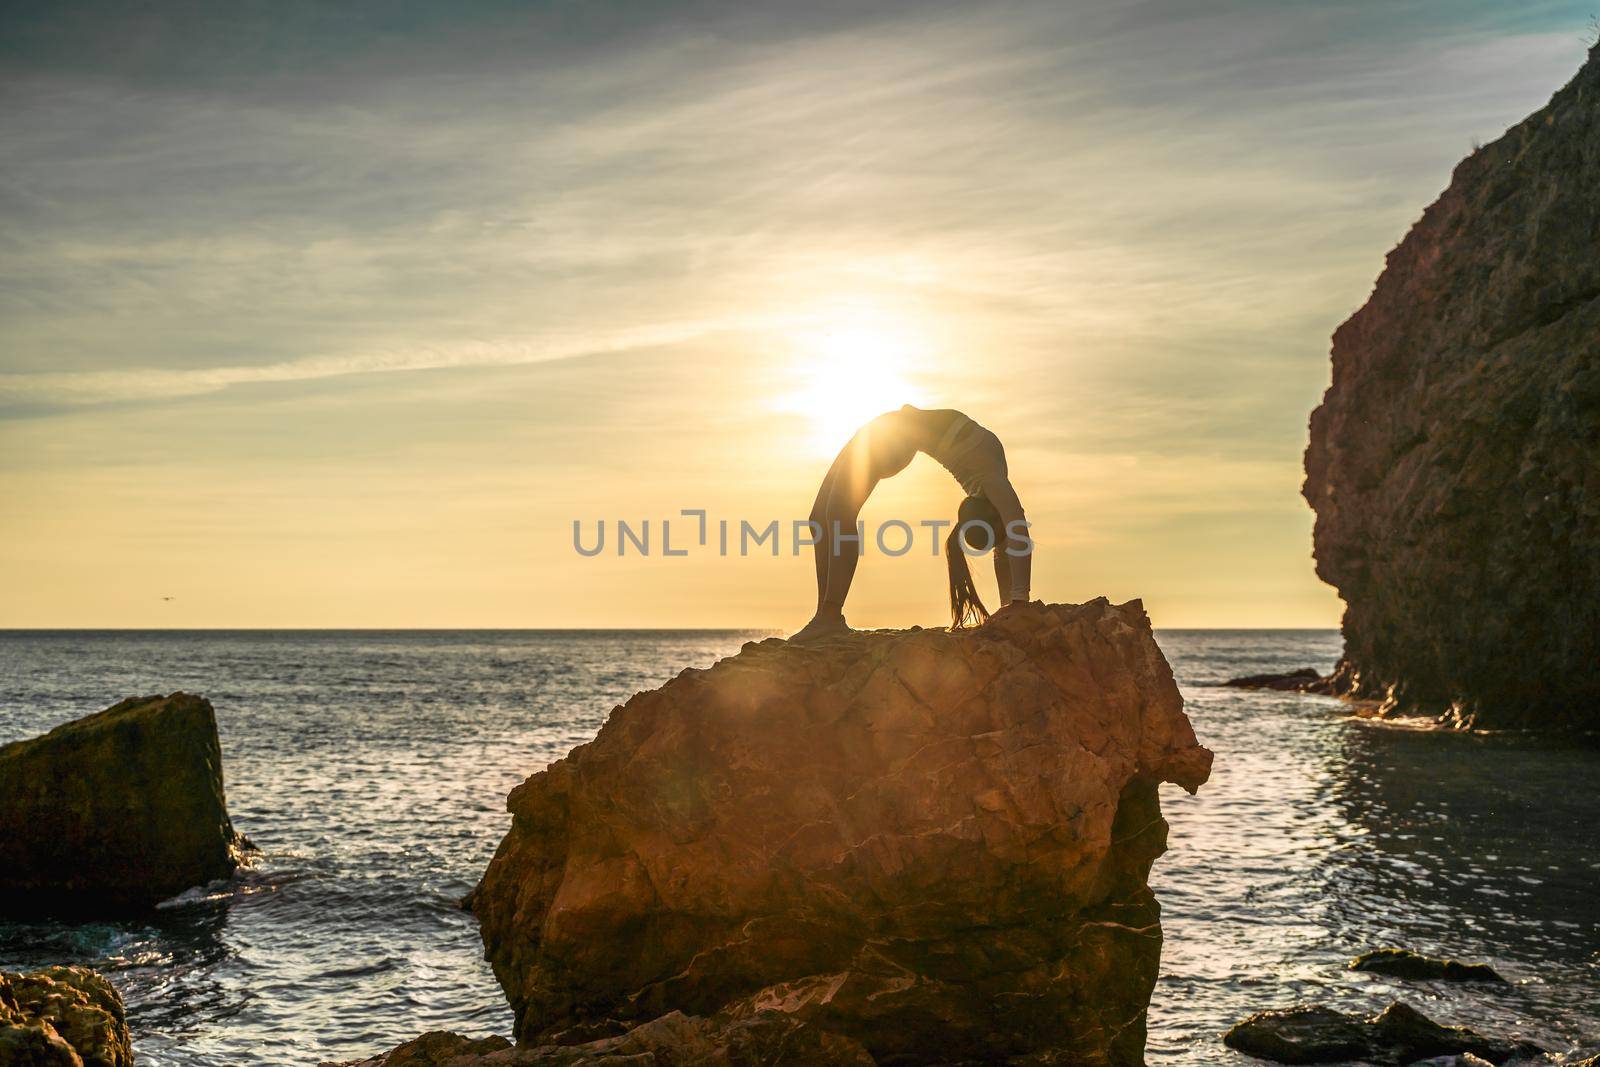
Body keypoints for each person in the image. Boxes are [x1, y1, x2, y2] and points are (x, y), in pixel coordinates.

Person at [791, 405, 1031, 640]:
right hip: (888, 429)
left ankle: (830, 615)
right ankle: (825, 616)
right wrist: (1018, 602)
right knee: (819, 520)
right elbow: (1016, 529)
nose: (1002, 544)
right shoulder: (992, 483)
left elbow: (1008, 539)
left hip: (897, 435)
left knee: (839, 512)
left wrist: (1011, 605)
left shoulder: (989, 488)